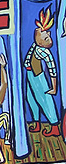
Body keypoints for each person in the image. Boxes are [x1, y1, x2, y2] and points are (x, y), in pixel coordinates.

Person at [24, 8, 60, 136]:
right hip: (30, 75)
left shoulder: (44, 51)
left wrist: (54, 87)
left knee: (45, 99)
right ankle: (36, 123)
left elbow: (52, 70)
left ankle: (55, 126)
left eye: (46, 36)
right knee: (31, 99)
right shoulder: (36, 45)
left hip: (38, 77)